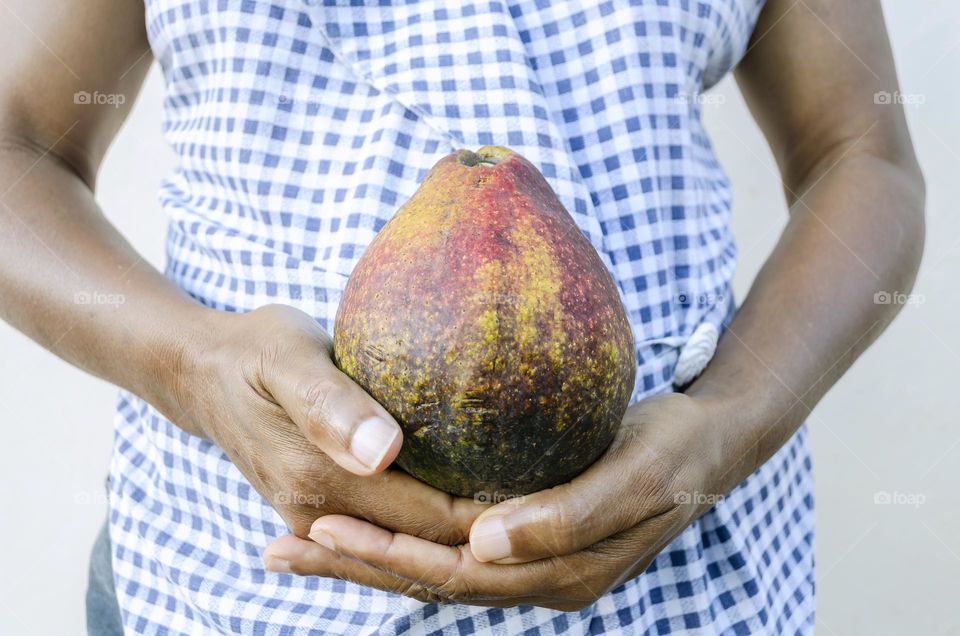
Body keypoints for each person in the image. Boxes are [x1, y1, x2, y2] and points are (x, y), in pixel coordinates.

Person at [0, 0, 923, 634]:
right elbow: (16, 149)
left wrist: (728, 425)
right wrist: (194, 368)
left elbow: (860, 151)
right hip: (233, 580)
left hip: (675, 579)